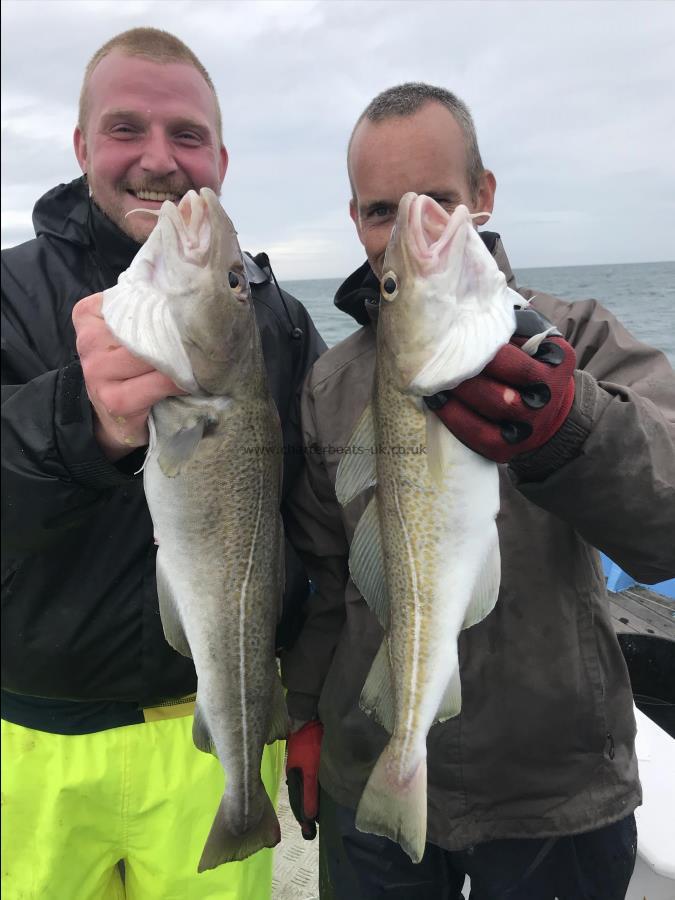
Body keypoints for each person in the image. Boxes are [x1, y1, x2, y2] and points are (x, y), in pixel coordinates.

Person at [281, 83, 675, 900]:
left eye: (439, 199)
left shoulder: (579, 337)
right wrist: (306, 716)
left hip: (554, 793)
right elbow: (324, 577)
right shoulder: (331, 381)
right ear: (354, 219)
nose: (409, 230)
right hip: (374, 766)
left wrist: (572, 425)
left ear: (483, 196)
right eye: (382, 209)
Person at [1, 26, 325, 900]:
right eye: (125, 130)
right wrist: (87, 423)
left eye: (187, 136)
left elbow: (318, 526)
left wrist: (317, 702)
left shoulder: (283, 322)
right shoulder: (6, 296)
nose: (159, 160)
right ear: (80, 146)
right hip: (26, 740)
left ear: (220, 156)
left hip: (217, 725)